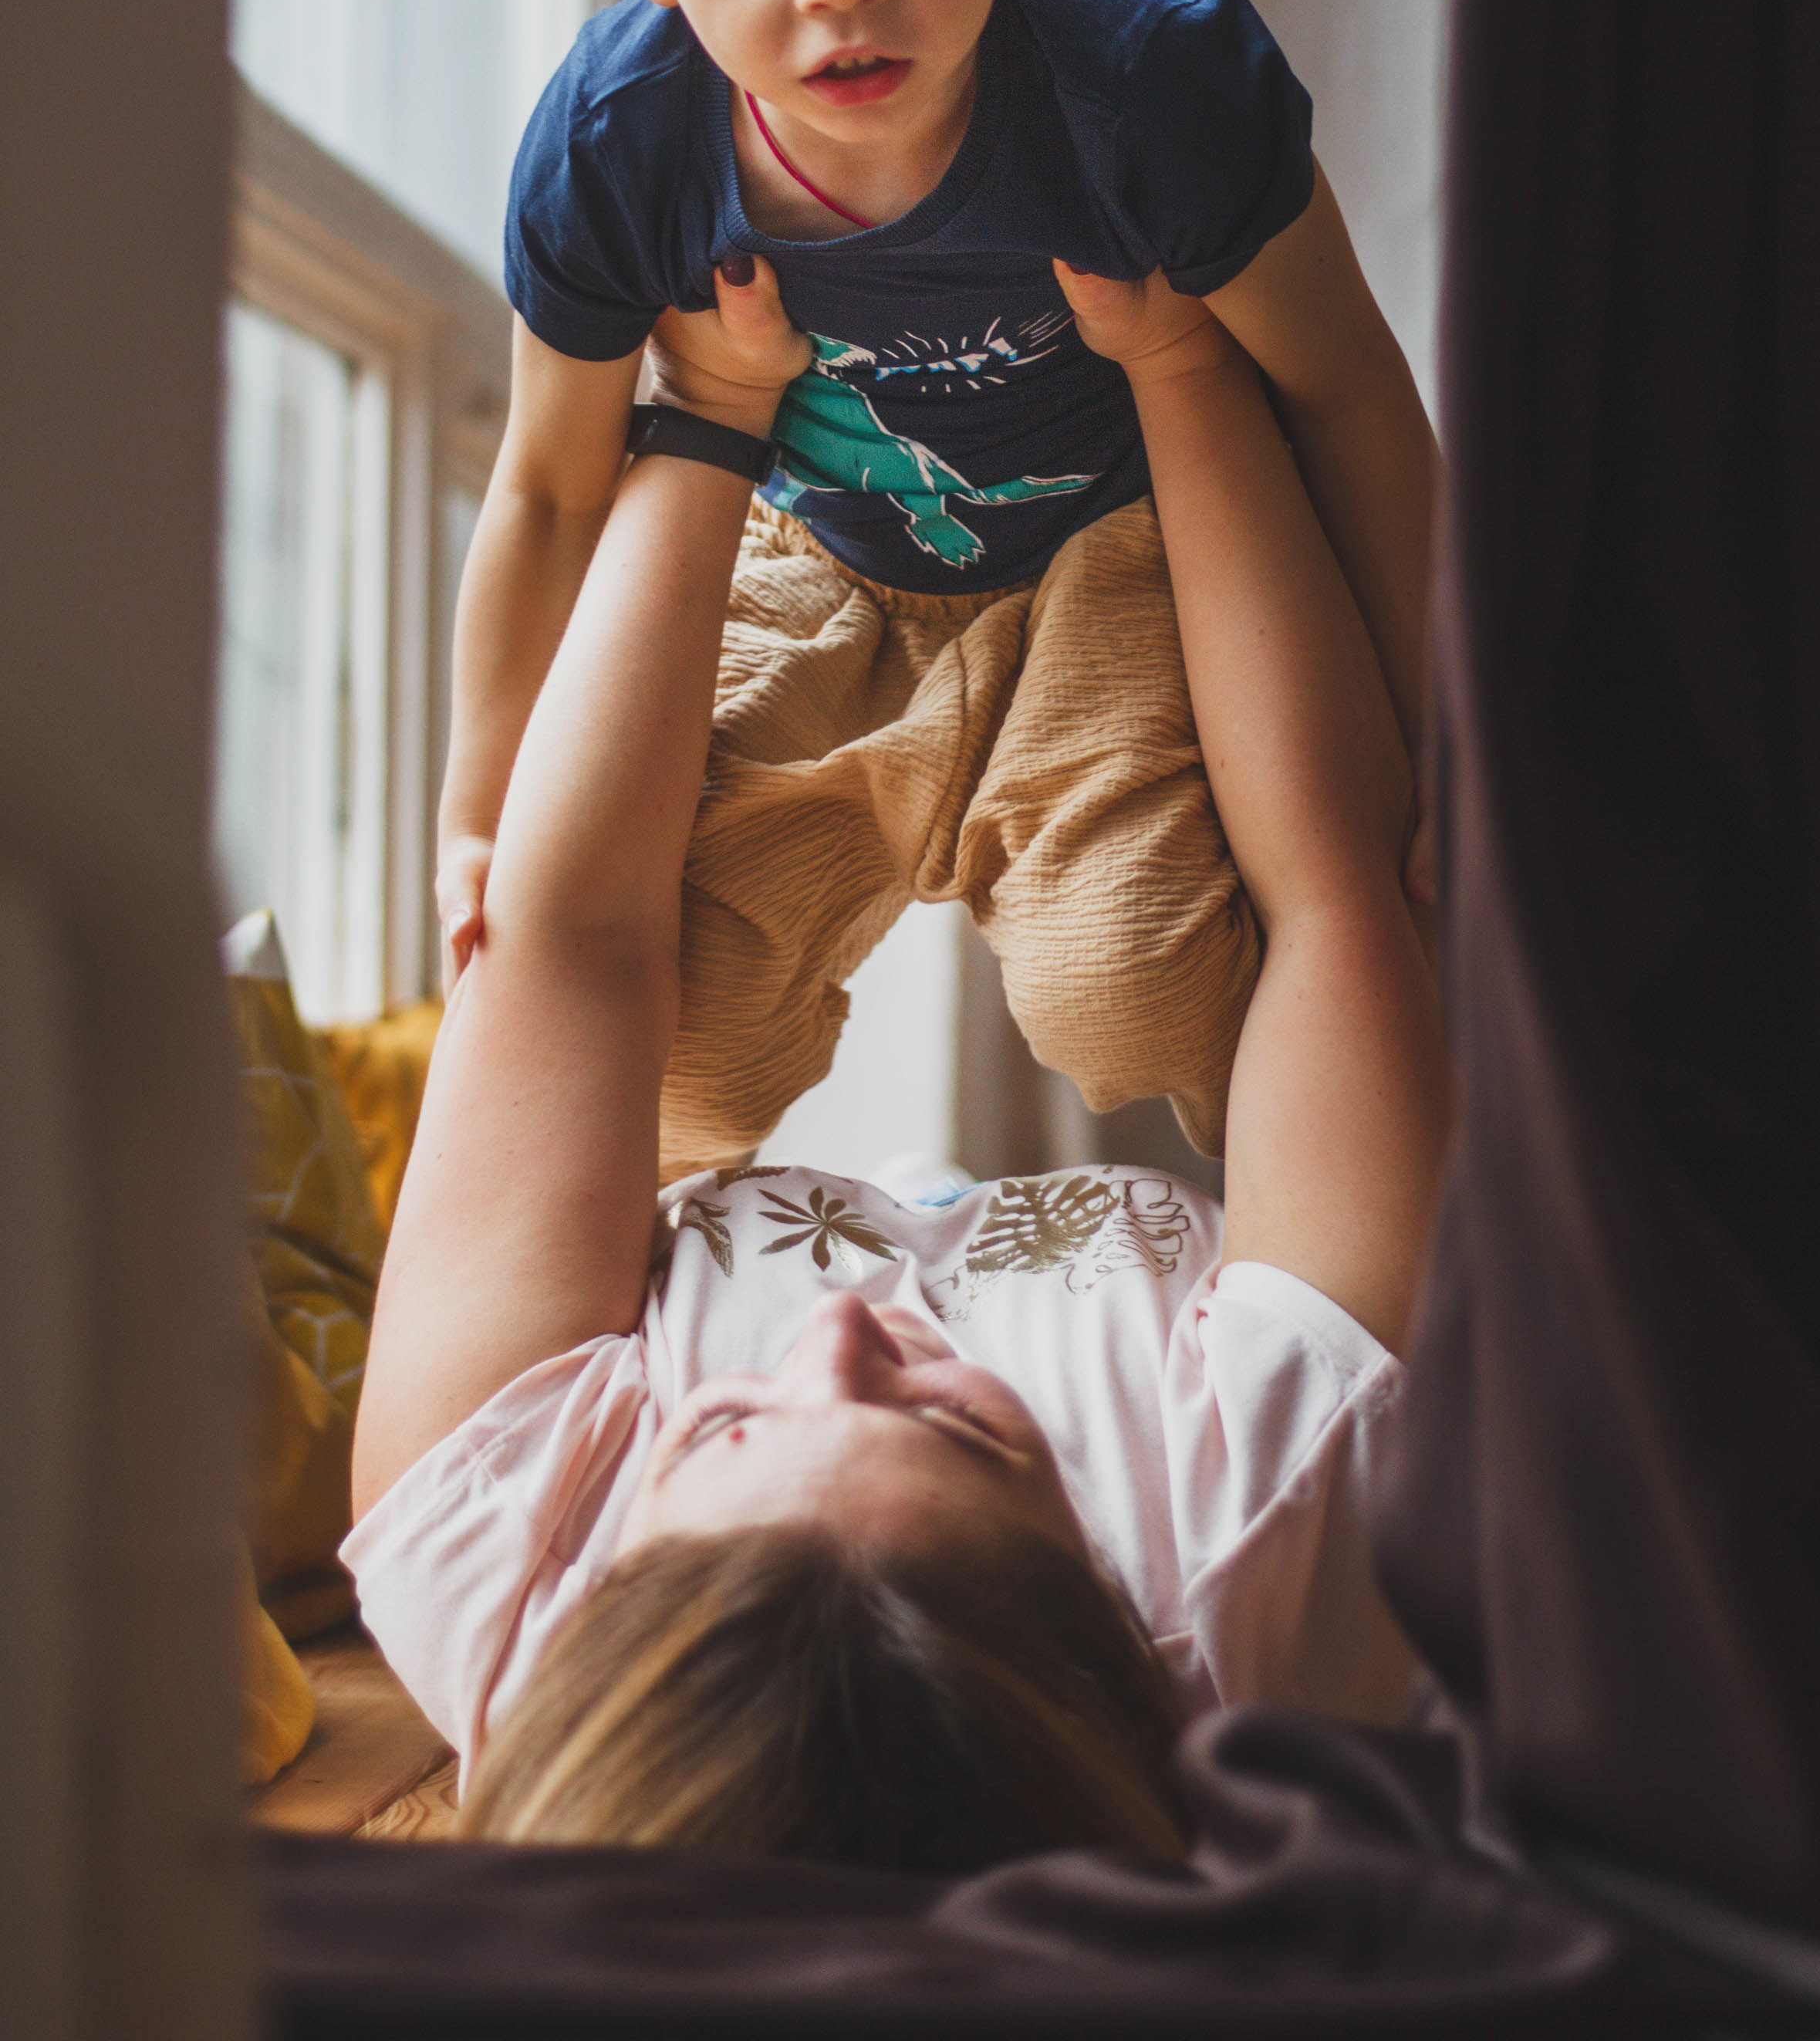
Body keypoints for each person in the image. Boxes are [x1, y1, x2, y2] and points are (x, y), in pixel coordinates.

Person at [346, 260, 1447, 1870]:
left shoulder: (493, 1547)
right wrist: (1178, 369)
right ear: (1114, 1608)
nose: (852, 1335)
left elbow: (574, 942)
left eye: (724, 1432)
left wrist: (714, 419)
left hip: (811, 559)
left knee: (681, 1055)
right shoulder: (1277, 1555)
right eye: (957, 1428)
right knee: (1142, 987)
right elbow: (1329, 894)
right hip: (1120, 557)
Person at [433, 0, 1440, 1178]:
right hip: (815, 554)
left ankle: (1304, 1326)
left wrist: (1447, 731)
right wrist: (479, 807)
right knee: (657, 1037)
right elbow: (546, 492)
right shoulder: (623, 149)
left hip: (1112, 550)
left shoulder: (1146, 88)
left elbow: (1344, 389)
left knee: (1150, 983)